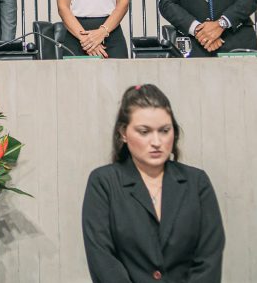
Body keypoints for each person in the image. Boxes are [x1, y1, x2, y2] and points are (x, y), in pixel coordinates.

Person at [82, 84, 225, 283]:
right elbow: (103, 260)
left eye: (164, 131)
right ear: (123, 133)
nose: (156, 141)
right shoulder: (104, 183)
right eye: (144, 132)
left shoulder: (196, 182)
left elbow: (209, 259)